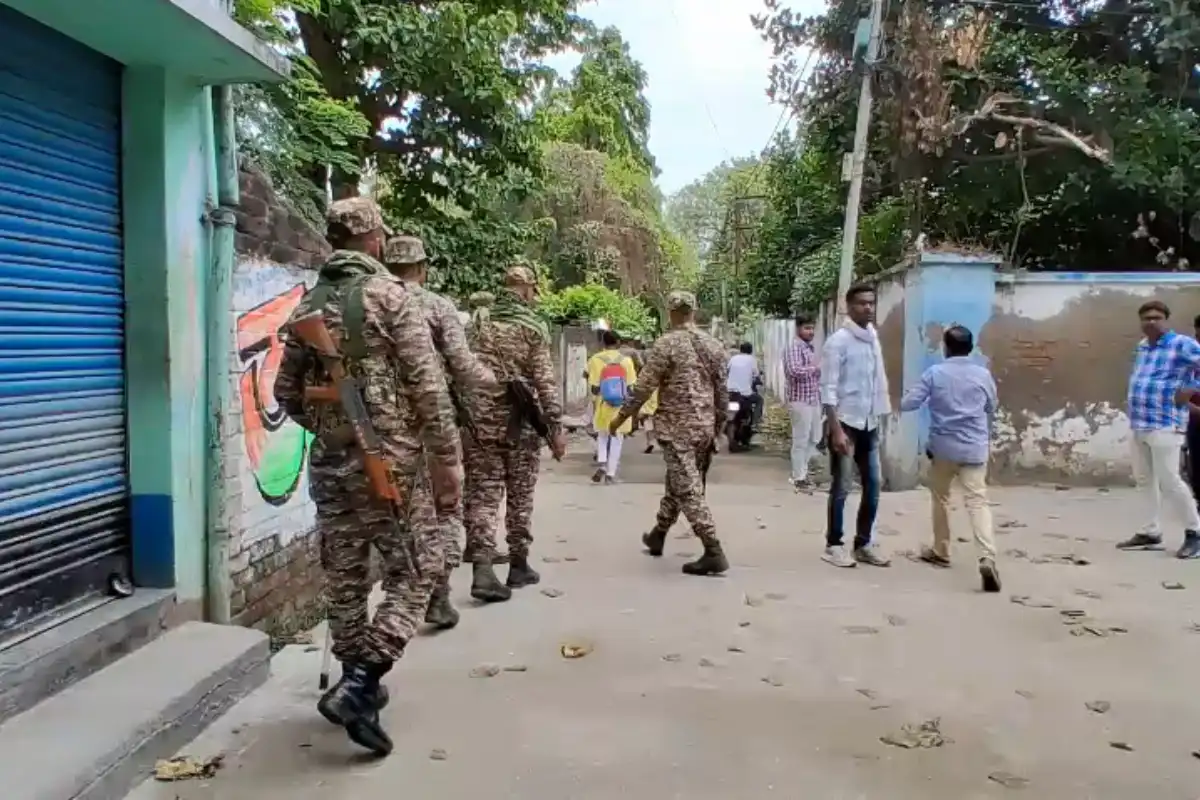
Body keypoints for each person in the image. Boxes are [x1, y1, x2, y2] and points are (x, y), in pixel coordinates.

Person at [274, 197, 461, 757]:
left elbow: (286, 395)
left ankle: (358, 688)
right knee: (421, 567)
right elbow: (428, 385)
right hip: (390, 465)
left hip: (331, 464)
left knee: (347, 577)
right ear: (375, 239)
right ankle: (361, 684)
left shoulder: (307, 304)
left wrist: (331, 426)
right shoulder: (392, 297)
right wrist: (447, 458)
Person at [381, 235, 499, 613]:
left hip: (380, 425)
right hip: (432, 422)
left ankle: (405, 592)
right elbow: (462, 365)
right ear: (422, 268)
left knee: (400, 512)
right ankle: (439, 593)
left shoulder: (370, 301)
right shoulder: (436, 306)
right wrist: (492, 381)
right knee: (446, 505)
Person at [463, 263, 567, 602]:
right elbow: (545, 382)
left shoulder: (477, 324)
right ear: (527, 289)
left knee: (483, 494)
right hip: (519, 424)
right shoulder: (532, 327)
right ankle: (518, 565)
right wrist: (555, 428)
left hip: (479, 423)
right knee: (520, 495)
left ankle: (482, 567)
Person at [608, 291, 731, 576]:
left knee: (687, 488)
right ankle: (658, 534)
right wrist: (718, 428)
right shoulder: (714, 345)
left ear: (671, 312)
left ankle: (713, 549)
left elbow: (644, 387)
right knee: (679, 482)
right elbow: (722, 393)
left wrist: (622, 417)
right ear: (694, 311)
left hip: (677, 429)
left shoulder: (666, 344)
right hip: (704, 427)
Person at [899, 325, 1002, 591]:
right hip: (974, 449)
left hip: (943, 448)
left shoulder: (934, 374)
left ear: (945, 347)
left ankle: (941, 550)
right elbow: (992, 406)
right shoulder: (982, 375)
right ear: (971, 347)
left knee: (941, 498)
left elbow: (909, 404)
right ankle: (987, 556)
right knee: (977, 502)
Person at [1120, 300, 1200, 558]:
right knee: (1145, 480)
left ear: (1166, 320)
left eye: (1156, 317)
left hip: (1166, 422)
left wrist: (1192, 389)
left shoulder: (1182, 344)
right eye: (1146, 318)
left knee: (1170, 481)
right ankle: (1151, 531)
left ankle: (1195, 532)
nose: (1151, 322)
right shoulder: (1143, 346)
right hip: (1140, 422)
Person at [820, 283, 891, 569]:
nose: (868, 308)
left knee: (873, 485)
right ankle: (834, 544)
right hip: (846, 423)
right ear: (849, 307)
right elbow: (827, 389)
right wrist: (836, 430)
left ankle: (863, 544)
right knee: (842, 486)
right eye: (862, 303)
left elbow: (875, 383)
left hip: (869, 423)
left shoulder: (873, 338)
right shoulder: (838, 342)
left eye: (872, 303)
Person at [587, 329, 637, 483]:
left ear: (602, 342)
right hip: (620, 405)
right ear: (618, 343)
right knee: (617, 437)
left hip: (602, 403)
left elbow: (594, 388)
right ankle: (610, 474)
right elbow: (630, 387)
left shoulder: (595, 359)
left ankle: (602, 462)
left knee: (602, 435)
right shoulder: (626, 361)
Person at [783, 314, 822, 488]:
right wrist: (815, 368)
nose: (810, 331)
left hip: (813, 399)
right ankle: (798, 476)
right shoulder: (794, 347)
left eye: (812, 328)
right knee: (801, 439)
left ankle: (802, 473)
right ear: (798, 329)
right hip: (800, 400)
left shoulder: (809, 348)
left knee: (815, 438)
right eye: (807, 328)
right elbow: (794, 371)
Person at [726, 342, 762, 451]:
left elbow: (727, 370)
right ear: (751, 351)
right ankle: (755, 422)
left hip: (731, 392)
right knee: (760, 400)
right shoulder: (752, 360)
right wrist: (758, 379)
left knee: (730, 416)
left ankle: (731, 439)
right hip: (745, 394)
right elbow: (756, 375)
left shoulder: (733, 359)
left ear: (740, 350)